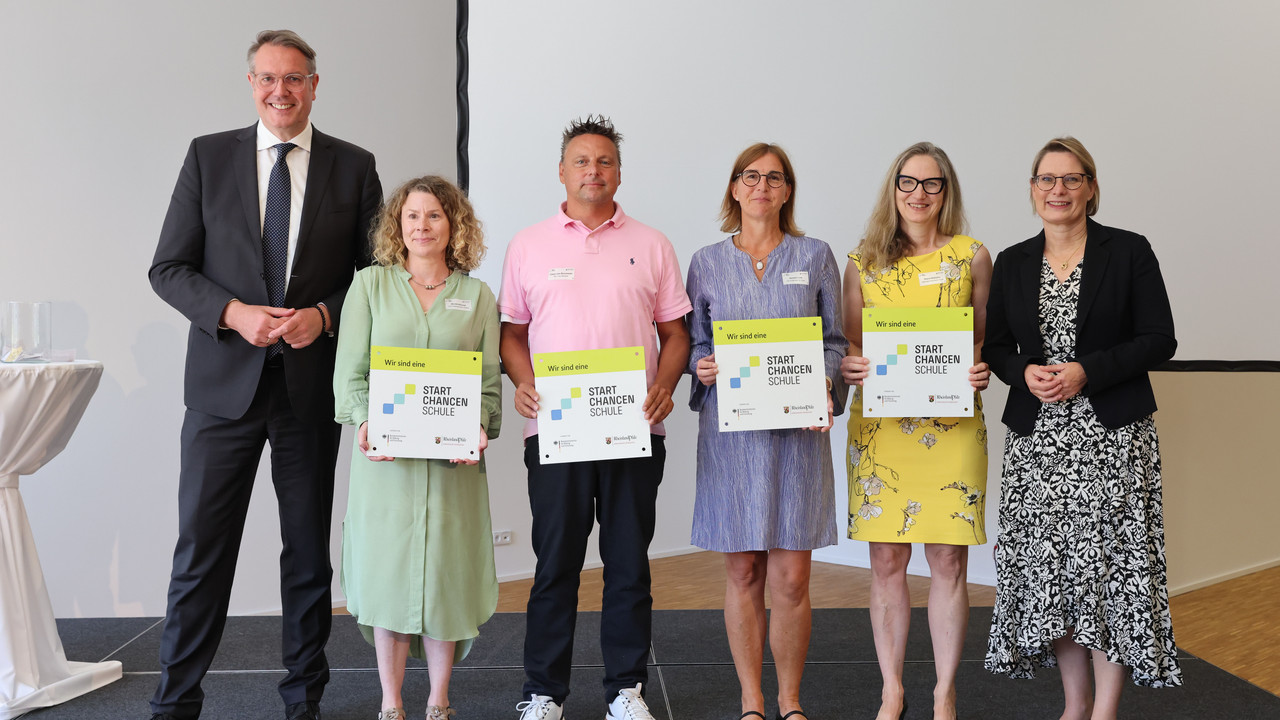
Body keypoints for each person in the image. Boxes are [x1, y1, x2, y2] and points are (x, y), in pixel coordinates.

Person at [147, 29, 381, 720]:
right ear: (252, 84)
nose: (282, 91)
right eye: (269, 79)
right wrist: (231, 312)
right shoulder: (207, 157)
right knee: (201, 553)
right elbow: (169, 268)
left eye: (295, 79)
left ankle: (303, 702)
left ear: (315, 85)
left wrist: (324, 315)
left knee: (308, 557)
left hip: (309, 389)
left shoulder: (353, 165)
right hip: (223, 390)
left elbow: (377, 276)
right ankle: (174, 703)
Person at [498, 115, 691, 720]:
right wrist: (523, 382)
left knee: (629, 566)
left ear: (618, 172)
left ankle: (626, 690)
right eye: (582, 161)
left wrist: (664, 383)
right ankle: (542, 694)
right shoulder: (528, 245)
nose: (593, 171)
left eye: (604, 161)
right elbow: (511, 334)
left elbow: (677, 334)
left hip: (635, 429)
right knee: (555, 566)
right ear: (562, 171)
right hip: (555, 433)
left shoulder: (652, 244)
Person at [983, 137, 1181, 719]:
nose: (1058, 190)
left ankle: (1105, 711)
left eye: (1071, 180)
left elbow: (1159, 339)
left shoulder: (1129, 251)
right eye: (1047, 179)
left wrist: (1086, 372)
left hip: (1114, 438)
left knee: (1112, 572)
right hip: (1039, 442)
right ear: (1032, 189)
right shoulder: (1014, 261)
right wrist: (1025, 372)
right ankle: (1074, 706)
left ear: (1091, 188)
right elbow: (997, 347)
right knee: (1055, 577)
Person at [686, 143, 847, 720]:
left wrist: (823, 381)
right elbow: (697, 345)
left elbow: (836, 340)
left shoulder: (816, 254)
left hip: (797, 436)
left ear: (787, 190)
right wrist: (701, 365)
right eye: (750, 177)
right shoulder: (706, 261)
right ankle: (753, 702)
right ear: (734, 189)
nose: (761, 187)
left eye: (773, 178)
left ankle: (790, 700)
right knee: (744, 569)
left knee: (791, 576)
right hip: (732, 437)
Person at [333, 176, 501, 720]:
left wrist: (478, 426)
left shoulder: (476, 296)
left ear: (454, 224)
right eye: (411, 216)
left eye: (433, 216)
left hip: (453, 468)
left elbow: (490, 383)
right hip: (387, 468)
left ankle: (438, 702)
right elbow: (351, 375)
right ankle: (390, 704)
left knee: (446, 581)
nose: (422, 226)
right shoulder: (370, 287)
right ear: (396, 225)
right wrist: (363, 423)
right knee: (387, 581)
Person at [840, 142, 991, 720]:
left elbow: (981, 344)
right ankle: (892, 689)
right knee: (886, 562)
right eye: (908, 182)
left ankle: (944, 691)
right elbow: (851, 349)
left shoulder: (972, 257)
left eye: (932, 184)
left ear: (946, 192)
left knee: (949, 562)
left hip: (950, 426)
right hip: (882, 429)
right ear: (893, 188)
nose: (919, 195)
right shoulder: (861, 262)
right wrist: (847, 367)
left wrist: (981, 367)